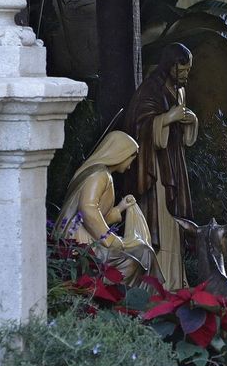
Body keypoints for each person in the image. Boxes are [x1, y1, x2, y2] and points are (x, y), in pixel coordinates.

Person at [115, 44, 199, 288]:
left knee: (174, 223)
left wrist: (190, 121)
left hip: (174, 163)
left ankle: (175, 280)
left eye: (188, 71)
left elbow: (182, 131)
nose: (185, 76)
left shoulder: (179, 90)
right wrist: (167, 118)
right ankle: (158, 285)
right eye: (181, 70)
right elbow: (138, 125)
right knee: (160, 219)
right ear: (169, 65)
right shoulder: (150, 90)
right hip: (156, 169)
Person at [55, 130, 155, 284]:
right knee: (133, 260)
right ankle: (115, 302)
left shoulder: (102, 174)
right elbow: (88, 210)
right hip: (79, 242)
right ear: (119, 154)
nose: (129, 167)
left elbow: (96, 216)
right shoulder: (99, 175)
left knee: (140, 253)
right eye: (130, 159)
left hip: (87, 237)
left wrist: (120, 208)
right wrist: (110, 239)